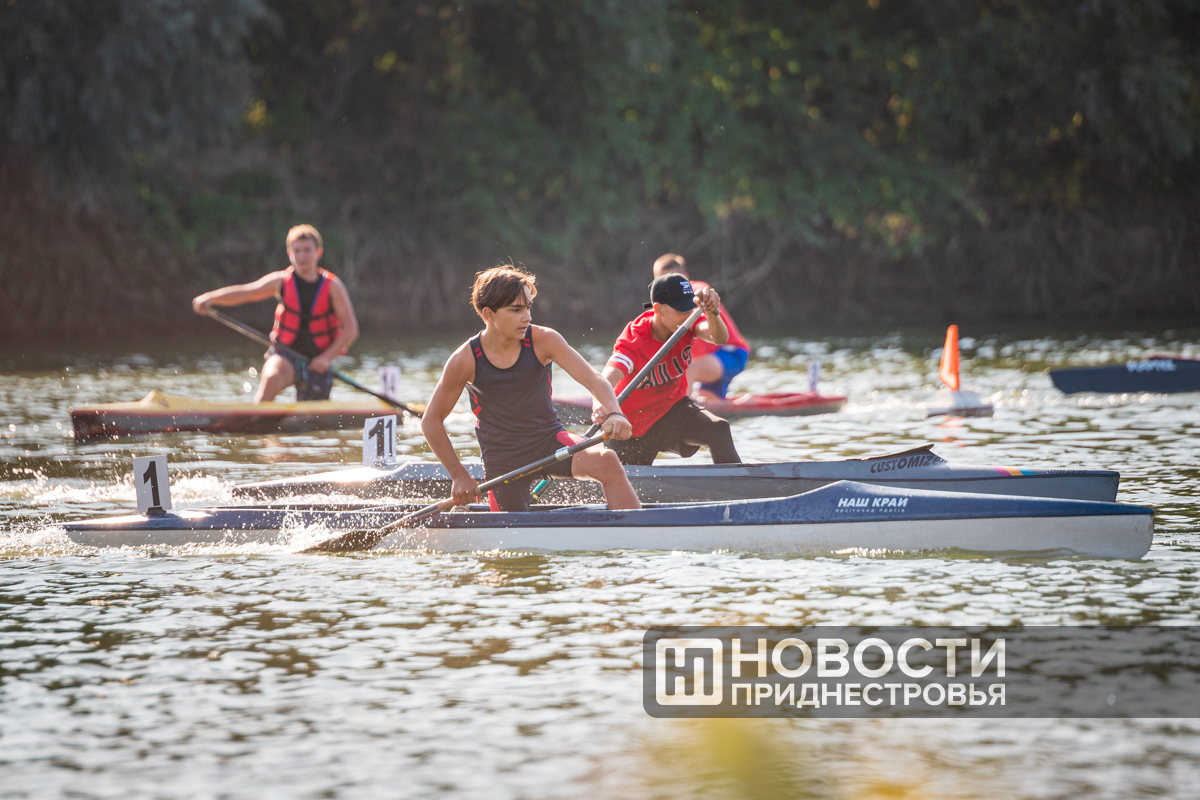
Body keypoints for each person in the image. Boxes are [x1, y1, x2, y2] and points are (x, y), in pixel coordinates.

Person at [421, 265, 641, 512]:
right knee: (510, 532)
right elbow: (431, 421)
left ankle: (635, 530)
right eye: (516, 310)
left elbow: (593, 378)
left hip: (549, 442)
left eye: (528, 308)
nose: (527, 317)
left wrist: (615, 412)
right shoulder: (465, 360)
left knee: (607, 461)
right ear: (489, 314)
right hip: (503, 460)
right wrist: (459, 475)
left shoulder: (544, 340)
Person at [192, 224, 359, 402]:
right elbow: (246, 292)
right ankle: (258, 415)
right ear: (289, 253)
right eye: (297, 251)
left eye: (307, 250)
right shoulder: (280, 281)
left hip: (316, 362)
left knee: (311, 415)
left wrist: (326, 358)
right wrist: (211, 298)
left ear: (318, 252)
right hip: (285, 356)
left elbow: (351, 330)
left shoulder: (333, 286)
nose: (302, 256)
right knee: (271, 378)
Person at [598, 273, 741, 466]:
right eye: (681, 310)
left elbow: (719, 338)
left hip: (671, 409)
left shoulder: (687, 322)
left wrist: (712, 312)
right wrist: (607, 410)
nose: (687, 315)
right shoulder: (634, 340)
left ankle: (738, 481)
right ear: (658, 309)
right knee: (628, 480)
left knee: (718, 428)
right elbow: (604, 380)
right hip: (630, 424)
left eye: (690, 309)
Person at [652, 253, 751, 399]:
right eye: (663, 282)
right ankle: (745, 402)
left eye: (674, 280)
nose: (669, 288)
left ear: (685, 278)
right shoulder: (662, 308)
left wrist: (705, 298)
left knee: (689, 370)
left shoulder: (695, 290)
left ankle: (680, 409)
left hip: (730, 353)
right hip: (707, 358)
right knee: (708, 400)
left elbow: (701, 291)